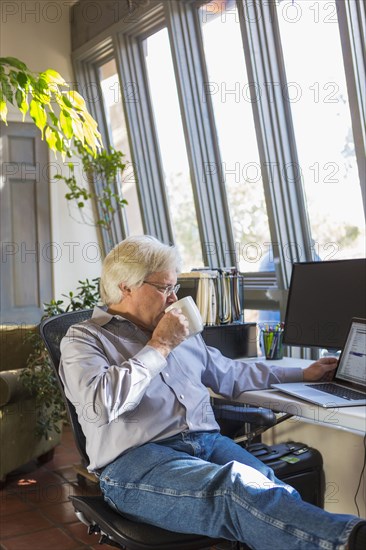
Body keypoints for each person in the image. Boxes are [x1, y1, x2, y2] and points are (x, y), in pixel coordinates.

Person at [60, 235, 365, 550]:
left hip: (206, 443)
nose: (173, 298)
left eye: (175, 288)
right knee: (237, 490)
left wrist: (303, 372)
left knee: (272, 490)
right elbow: (99, 404)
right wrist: (160, 346)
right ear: (126, 286)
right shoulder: (84, 339)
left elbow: (230, 374)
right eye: (165, 288)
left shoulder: (178, 331)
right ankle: (352, 539)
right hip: (135, 463)